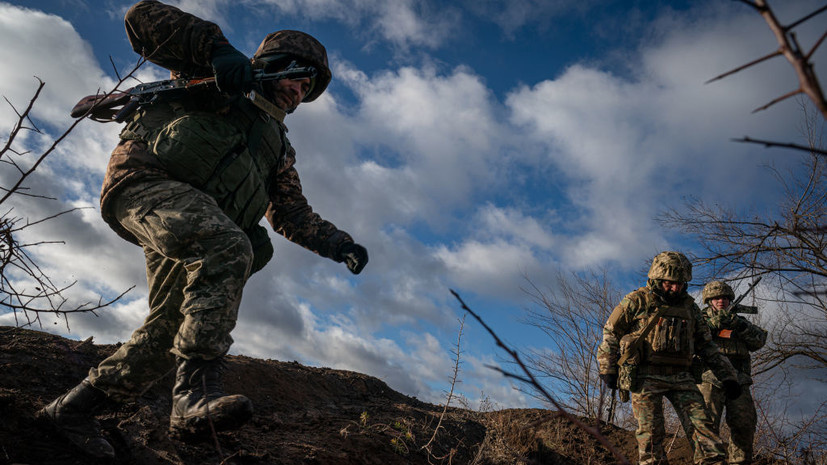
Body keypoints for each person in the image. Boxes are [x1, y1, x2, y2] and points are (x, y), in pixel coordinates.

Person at [36, 0, 368, 459]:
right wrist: (216, 50)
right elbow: (142, 18)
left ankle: (69, 411)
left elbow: (291, 213)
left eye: (308, 87)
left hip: (197, 225)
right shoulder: (210, 75)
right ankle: (194, 397)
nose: (299, 91)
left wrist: (340, 244)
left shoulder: (278, 148)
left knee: (165, 335)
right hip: (147, 186)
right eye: (297, 77)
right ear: (273, 66)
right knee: (231, 246)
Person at [597, 251, 741, 465]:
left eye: (681, 283)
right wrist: (607, 368)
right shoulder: (636, 300)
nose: (676, 288)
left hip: (682, 377)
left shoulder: (690, 308)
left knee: (706, 433)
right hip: (646, 376)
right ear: (657, 278)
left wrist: (728, 376)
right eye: (670, 283)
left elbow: (706, 345)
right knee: (652, 437)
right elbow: (611, 333)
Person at [697, 281, 767, 464]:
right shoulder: (699, 320)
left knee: (744, 423)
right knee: (707, 425)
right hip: (709, 378)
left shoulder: (739, 322)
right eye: (716, 298)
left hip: (739, 380)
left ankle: (740, 461)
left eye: (725, 298)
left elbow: (759, 341)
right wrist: (712, 326)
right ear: (709, 300)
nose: (721, 301)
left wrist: (740, 326)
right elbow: (689, 340)